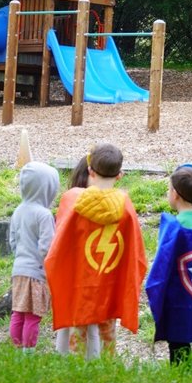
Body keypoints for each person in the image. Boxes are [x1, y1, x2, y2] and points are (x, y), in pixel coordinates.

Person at [45, 143, 146, 361]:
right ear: (120, 175)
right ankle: (104, 377)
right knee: (105, 341)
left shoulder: (72, 199)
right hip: (108, 288)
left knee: (75, 346)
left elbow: (57, 250)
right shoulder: (126, 206)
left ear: (90, 171)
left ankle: (74, 378)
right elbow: (135, 255)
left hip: (78, 288)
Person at [145, 163, 192, 366]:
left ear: (175, 194)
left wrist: (152, 288)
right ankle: (183, 375)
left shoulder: (175, 227)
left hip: (176, 293)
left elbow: (162, 264)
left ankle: (181, 379)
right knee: (184, 336)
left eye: (169, 189)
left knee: (177, 339)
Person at [8, 160, 60, 352]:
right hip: (36, 273)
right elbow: (47, 247)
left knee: (18, 312)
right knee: (33, 315)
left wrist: (20, 259)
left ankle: (16, 349)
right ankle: (28, 352)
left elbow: (12, 240)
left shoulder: (18, 211)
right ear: (47, 188)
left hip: (18, 270)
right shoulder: (44, 215)